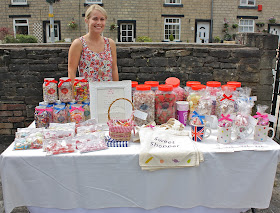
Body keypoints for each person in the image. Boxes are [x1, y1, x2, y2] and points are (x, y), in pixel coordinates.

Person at [68, 4, 119, 83]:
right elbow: (71, 72)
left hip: (108, 92)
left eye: (102, 19)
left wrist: (117, 91)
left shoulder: (110, 43)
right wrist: (74, 94)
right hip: (86, 93)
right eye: (95, 19)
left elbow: (114, 69)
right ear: (87, 20)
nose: (99, 22)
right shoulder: (78, 44)